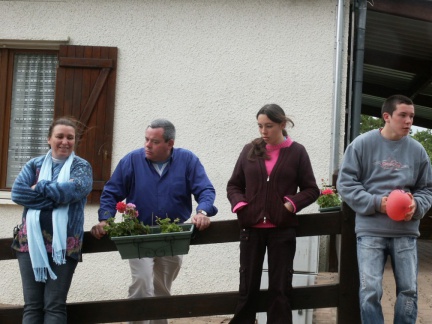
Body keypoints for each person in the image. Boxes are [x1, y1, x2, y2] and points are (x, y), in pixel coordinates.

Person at [90, 118, 218, 324]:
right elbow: (110, 193)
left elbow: (205, 189)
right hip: (139, 234)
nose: (147, 145)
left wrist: (203, 211)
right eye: (146, 139)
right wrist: (105, 220)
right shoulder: (131, 161)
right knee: (141, 282)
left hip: (173, 235)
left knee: (162, 289)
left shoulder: (187, 160)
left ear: (170, 143)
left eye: (154, 141)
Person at [337, 94, 432, 324]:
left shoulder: (418, 151)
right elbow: (346, 184)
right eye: (403, 115)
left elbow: (427, 189)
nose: (409, 121)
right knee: (370, 291)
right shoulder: (361, 144)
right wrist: (378, 203)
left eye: (411, 116)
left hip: (406, 233)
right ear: (386, 116)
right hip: (370, 231)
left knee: (408, 290)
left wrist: (416, 205)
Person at [226, 104, 320, 324]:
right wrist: (241, 205)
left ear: (282, 124)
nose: (263, 131)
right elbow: (234, 186)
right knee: (247, 288)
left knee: (280, 290)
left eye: (269, 126)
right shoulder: (249, 149)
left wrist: (290, 204)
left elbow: (311, 189)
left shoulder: (297, 152)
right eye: (260, 126)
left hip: (282, 231)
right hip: (251, 231)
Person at [11, 116, 93, 323]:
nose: (65, 141)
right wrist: (56, 200)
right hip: (29, 244)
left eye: (70, 137)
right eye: (60, 136)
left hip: (65, 247)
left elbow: (73, 190)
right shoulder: (34, 164)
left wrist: (38, 187)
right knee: (32, 307)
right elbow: (18, 194)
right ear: (49, 139)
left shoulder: (81, 167)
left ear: (75, 141)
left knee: (54, 306)